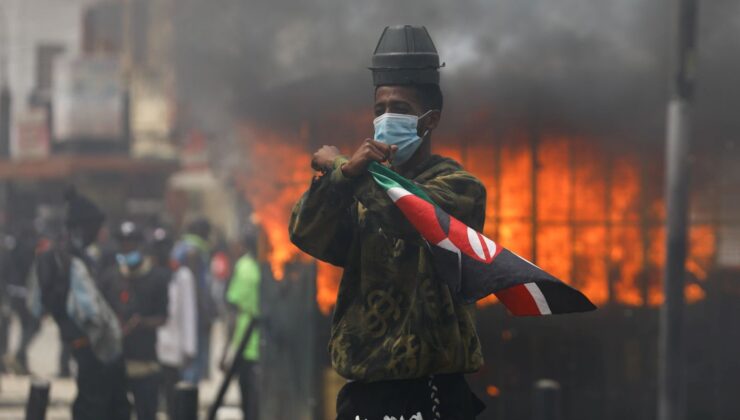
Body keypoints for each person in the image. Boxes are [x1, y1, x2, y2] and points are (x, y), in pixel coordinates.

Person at [289, 25, 486, 419]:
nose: (386, 118)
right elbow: (306, 232)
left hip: (431, 394)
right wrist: (340, 179)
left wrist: (344, 167)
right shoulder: (359, 189)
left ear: (430, 119)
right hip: (366, 393)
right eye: (380, 109)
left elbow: (411, 215)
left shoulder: (461, 188)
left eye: (400, 109)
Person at [28, 188, 130, 420]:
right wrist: (106, 336)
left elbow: (35, 305)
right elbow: (90, 311)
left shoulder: (55, 255)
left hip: (78, 342)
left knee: (92, 400)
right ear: (83, 227)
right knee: (99, 404)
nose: (98, 233)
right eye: (95, 227)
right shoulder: (73, 262)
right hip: (94, 347)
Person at [100, 221, 169, 420]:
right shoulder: (110, 277)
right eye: (123, 244)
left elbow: (163, 317)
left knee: (146, 412)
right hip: (115, 361)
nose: (127, 248)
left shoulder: (157, 278)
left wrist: (142, 323)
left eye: (131, 244)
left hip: (145, 361)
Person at [154, 227, 198, 419]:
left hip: (173, 348)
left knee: (174, 401)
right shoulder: (149, 273)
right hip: (151, 349)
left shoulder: (182, 276)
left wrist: (189, 348)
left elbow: (188, 313)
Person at [221, 232, 261, 419]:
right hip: (265, 340)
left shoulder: (243, 266)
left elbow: (233, 308)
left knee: (247, 393)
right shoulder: (267, 265)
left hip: (246, 340)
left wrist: (225, 350)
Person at [173, 218, 215, 383]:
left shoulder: (179, 248)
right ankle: (188, 399)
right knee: (193, 355)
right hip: (194, 312)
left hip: (177, 310)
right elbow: (196, 287)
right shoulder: (194, 251)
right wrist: (204, 313)